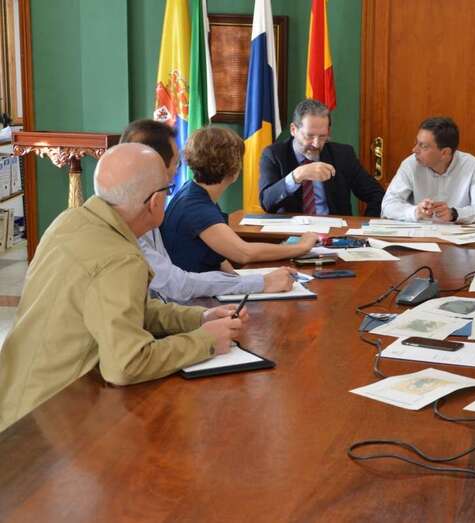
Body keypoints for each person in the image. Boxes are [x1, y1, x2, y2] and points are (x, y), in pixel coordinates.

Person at [0, 144, 247, 432]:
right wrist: (205, 341)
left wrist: (198, 319)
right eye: (168, 189)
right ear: (155, 201)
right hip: (50, 420)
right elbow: (127, 364)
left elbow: (126, 308)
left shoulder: (70, 220)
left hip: (15, 398)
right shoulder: (120, 258)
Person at [120, 119, 297, 303]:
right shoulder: (190, 206)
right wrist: (298, 249)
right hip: (186, 303)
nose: (174, 173)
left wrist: (244, 281)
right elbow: (242, 254)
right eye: (175, 163)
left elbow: (217, 259)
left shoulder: (188, 196)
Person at [161, 126, 317, 273]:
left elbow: (218, 257)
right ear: (234, 168)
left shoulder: (192, 192)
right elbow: (244, 253)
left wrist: (240, 280)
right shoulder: (196, 207)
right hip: (194, 297)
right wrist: (301, 247)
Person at [259, 99, 385, 216]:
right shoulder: (274, 155)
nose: (316, 143)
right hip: (292, 234)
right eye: (309, 136)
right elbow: (267, 203)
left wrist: (362, 227)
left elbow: (378, 195)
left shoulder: (343, 155)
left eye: (322, 136)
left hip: (335, 234)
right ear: (293, 130)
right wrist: (297, 176)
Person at [381, 116, 475, 224]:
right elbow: (388, 205)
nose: (414, 150)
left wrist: (454, 214)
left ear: (445, 153)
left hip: (458, 239)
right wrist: (415, 211)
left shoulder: (473, 166)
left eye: (423, 146)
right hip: (418, 238)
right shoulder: (410, 164)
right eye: (417, 143)